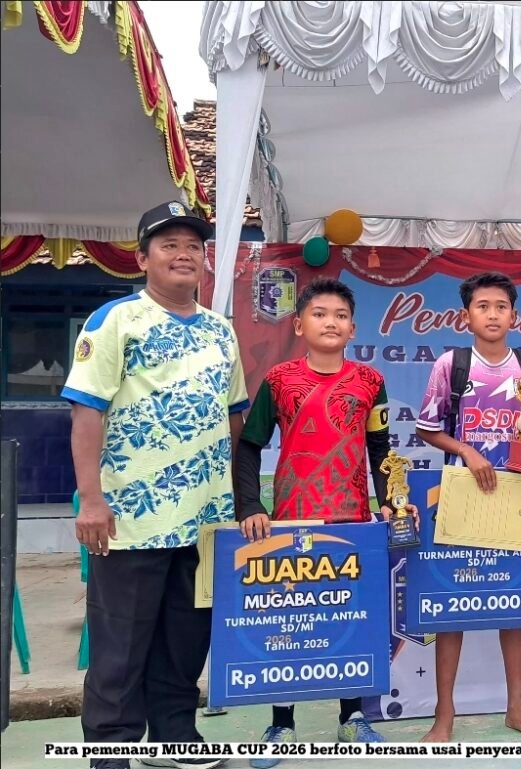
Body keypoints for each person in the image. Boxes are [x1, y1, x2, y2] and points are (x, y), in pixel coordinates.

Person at [64, 202, 249, 769]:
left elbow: (234, 417)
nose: (184, 254)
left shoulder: (221, 331)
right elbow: (87, 413)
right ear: (142, 258)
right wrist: (91, 500)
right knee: (120, 648)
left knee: (185, 641)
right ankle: (111, 751)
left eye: (193, 245)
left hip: (204, 521)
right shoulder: (115, 321)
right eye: (169, 244)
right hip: (130, 518)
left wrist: (233, 498)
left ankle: (175, 737)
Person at [233, 277, 418, 767]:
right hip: (290, 520)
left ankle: (352, 717)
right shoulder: (279, 380)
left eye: (340, 315)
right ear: (299, 325)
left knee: (351, 619)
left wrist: (391, 501)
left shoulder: (370, 382)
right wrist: (250, 506)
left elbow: (380, 447)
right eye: (319, 314)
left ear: (352, 328)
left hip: (353, 519)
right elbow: (248, 446)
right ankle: (282, 723)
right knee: (288, 621)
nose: (330, 322)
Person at [415, 272, 521, 743]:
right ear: (466, 316)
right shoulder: (451, 364)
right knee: (451, 609)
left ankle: (517, 710)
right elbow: (426, 428)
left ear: (514, 315)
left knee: (515, 605)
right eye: (483, 306)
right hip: (463, 496)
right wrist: (468, 451)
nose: (492, 314)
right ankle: (444, 716)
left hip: (517, 495)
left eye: (501, 306)